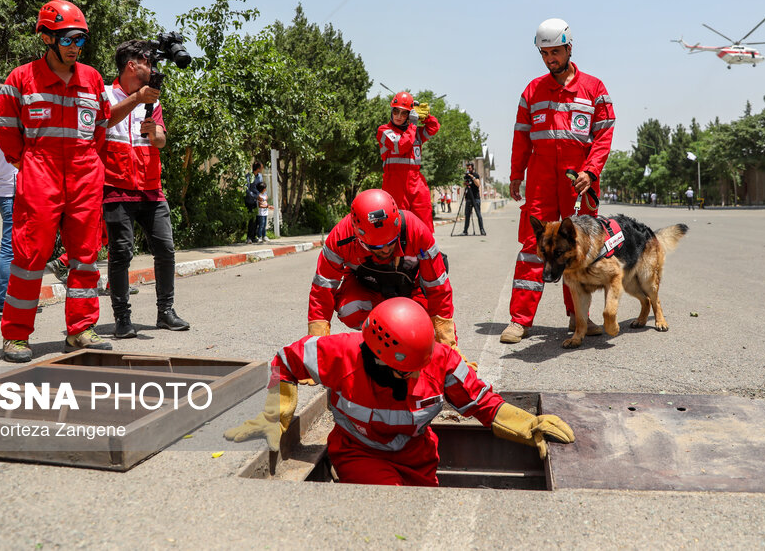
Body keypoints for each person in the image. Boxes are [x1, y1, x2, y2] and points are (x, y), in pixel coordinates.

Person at [223, 297, 574, 486]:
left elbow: (482, 401)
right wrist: (275, 416)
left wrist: (527, 425)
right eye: (404, 372)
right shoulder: (341, 352)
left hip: (416, 456)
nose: (412, 378)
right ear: (376, 355)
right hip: (358, 453)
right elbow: (284, 361)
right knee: (387, 507)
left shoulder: (440, 360)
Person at [0, 0, 112, 362]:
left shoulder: (92, 78)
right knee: (30, 254)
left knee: (85, 256)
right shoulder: (21, 79)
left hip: (84, 172)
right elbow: (7, 131)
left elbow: (102, 128)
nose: (75, 47)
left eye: (80, 40)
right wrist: (28, 162)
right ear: (47, 38)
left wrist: (87, 163)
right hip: (39, 171)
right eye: (68, 39)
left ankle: (80, 331)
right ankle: (15, 336)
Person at [502, 18, 615, 344]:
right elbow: (521, 138)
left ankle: (578, 317)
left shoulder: (594, 89)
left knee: (578, 248)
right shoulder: (532, 91)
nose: (550, 58)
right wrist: (515, 174)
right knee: (531, 247)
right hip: (539, 181)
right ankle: (519, 320)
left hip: (579, 181)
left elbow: (604, 135)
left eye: (555, 52)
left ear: (569, 48)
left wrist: (591, 171)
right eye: (544, 53)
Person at [307, 188, 473, 364]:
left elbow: (438, 290)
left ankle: (404, 333)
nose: (386, 250)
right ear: (358, 237)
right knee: (349, 310)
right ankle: (379, 340)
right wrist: (315, 350)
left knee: (424, 331)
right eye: (377, 247)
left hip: (410, 290)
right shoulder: (340, 238)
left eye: (390, 243)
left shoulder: (415, 230)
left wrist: (448, 348)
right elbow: (322, 291)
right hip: (366, 287)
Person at [102, 40, 190, 339]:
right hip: (116, 186)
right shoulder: (104, 94)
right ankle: (122, 318)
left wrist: (156, 134)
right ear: (132, 65)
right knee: (121, 253)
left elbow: (162, 140)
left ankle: (166, 312)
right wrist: (137, 99)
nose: (152, 69)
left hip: (151, 188)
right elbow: (103, 122)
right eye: (148, 63)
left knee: (165, 249)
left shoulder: (154, 101)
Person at [0, 78, 41, 322]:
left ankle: (13, 300)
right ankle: (1, 303)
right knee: (9, 247)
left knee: (19, 245)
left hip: (8, 188)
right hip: (11, 189)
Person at [378, 92, 439, 230]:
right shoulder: (384, 131)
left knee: (424, 223)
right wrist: (413, 124)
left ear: (409, 115)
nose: (399, 116)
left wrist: (426, 116)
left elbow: (434, 127)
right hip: (394, 183)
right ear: (391, 111)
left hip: (416, 182)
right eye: (396, 111)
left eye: (404, 113)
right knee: (398, 225)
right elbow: (401, 146)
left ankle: (425, 251)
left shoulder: (415, 132)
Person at [461, 162, 486, 236]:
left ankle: (482, 230)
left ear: (472, 168)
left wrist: (472, 177)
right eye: (467, 168)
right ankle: (465, 231)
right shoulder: (466, 176)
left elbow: (478, 184)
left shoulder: (475, 175)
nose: (468, 169)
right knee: (467, 215)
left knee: (478, 214)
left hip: (475, 198)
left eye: (469, 168)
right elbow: (463, 184)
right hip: (468, 198)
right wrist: (465, 183)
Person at [245, 161, 264, 244]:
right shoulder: (249, 176)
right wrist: (256, 196)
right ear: (258, 168)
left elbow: (260, 187)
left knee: (257, 219)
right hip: (250, 200)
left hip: (257, 201)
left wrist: (261, 196)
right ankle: (249, 237)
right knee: (251, 219)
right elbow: (247, 189)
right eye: (261, 167)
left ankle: (253, 236)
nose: (262, 169)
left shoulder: (260, 176)